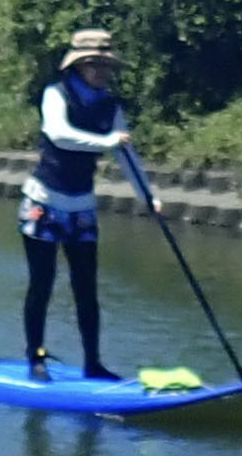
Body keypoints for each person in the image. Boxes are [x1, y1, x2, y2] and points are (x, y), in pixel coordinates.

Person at [21, 28, 158, 382]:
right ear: (78, 66)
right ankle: (36, 358)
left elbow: (126, 154)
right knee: (42, 283)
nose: (100, 71)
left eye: (105, 65)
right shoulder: (56, 94)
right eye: (93, 64)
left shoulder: (110, 106)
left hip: (81, 207)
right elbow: (58, 134)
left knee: (87, 290)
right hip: (44, 202)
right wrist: (106, 141)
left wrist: (148, 197)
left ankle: (93, 364)